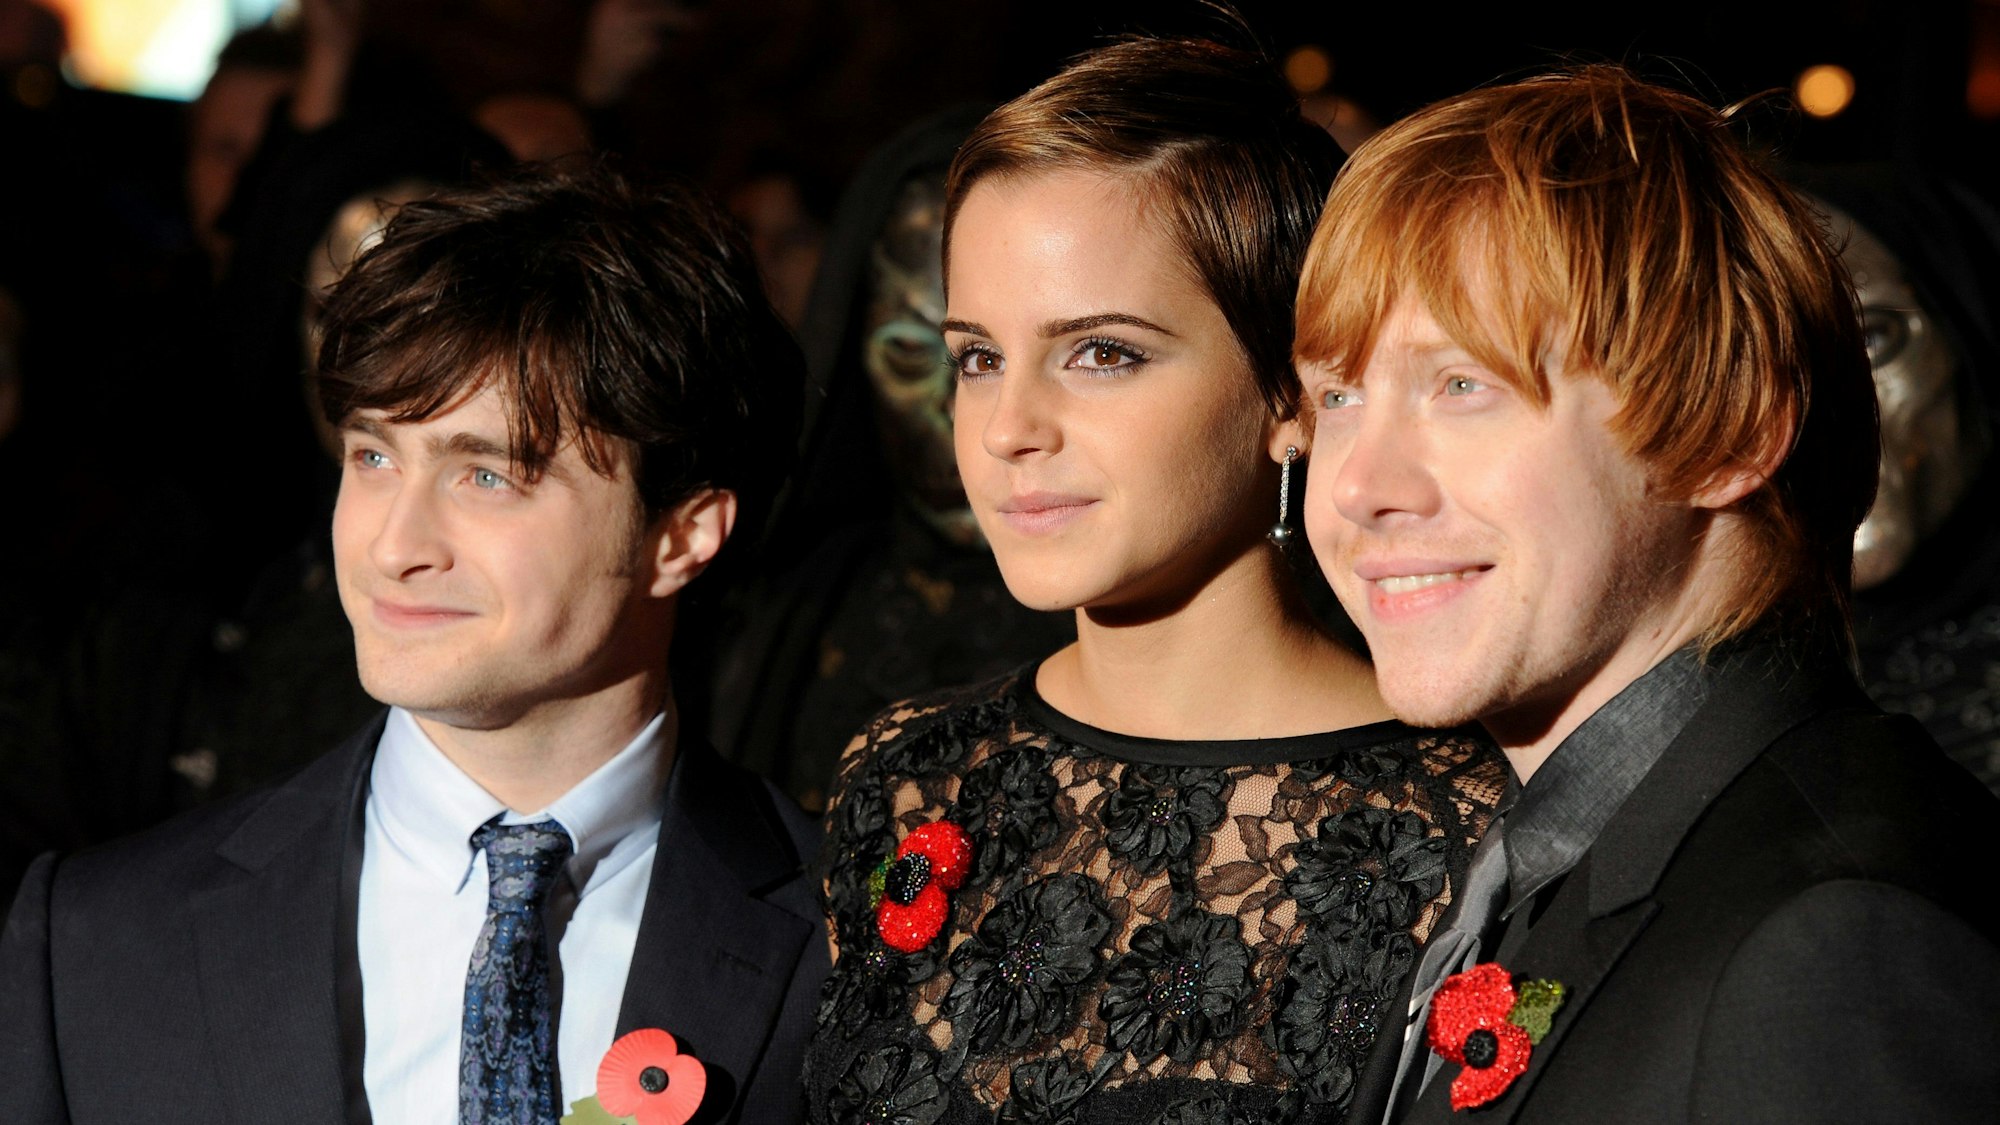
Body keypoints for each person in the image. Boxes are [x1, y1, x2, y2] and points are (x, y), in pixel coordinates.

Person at [1, 164, 826, 1125]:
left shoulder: (855, 943)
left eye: (486, 476)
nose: (394, 546)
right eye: (374, 457)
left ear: (681, 535)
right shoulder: (97, 940)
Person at [805, 36, 1506, 1125]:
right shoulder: (903, 777)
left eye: (1102, 354)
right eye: (977, 357)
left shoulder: (1470, 831)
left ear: (1290, 393)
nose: (1007, 430)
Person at [1294, 67, 2000, 1123]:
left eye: (1460, 385)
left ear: (1726, 432)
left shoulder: (1840, 939)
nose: (1356, 487)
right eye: (1336, 396)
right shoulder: (1564, 847)